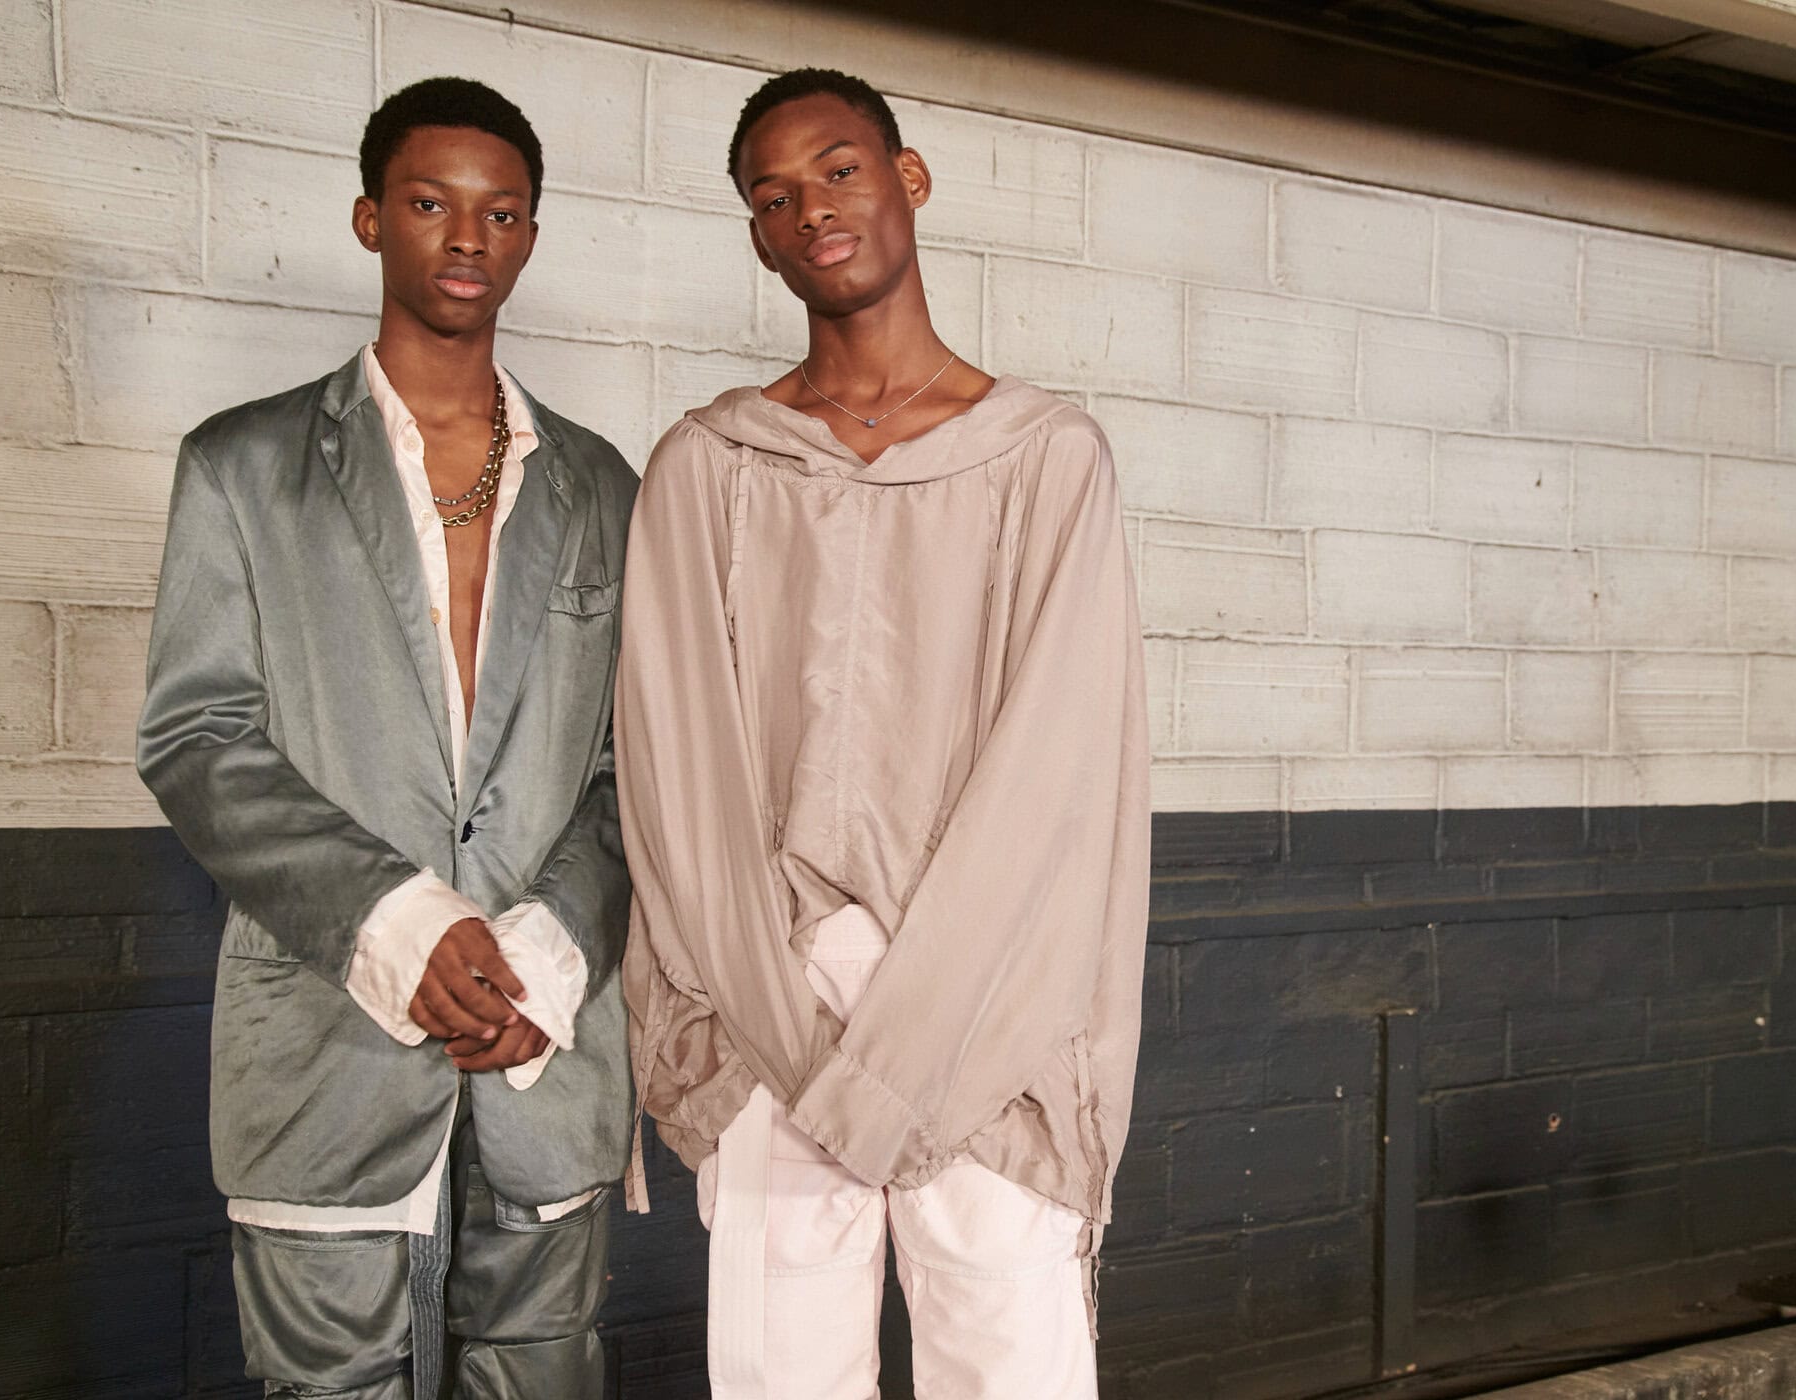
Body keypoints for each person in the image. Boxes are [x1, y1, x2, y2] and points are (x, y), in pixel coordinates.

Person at [615, 67, 1150, 1399]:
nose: (811, 209)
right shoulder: (709, 468)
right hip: (771, 1017)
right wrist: (790, 1040)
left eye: (840, 170)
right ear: (757, 237)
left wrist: (915, 1059)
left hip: (990, 1027)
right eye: (773, 196)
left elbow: (1059, 785)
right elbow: (679, 783)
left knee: (1012, 1376)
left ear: (909, 179)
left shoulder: (1045, 458)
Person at [136, 76, 636, 1398]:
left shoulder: (605, 485)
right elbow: (197, 736)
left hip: (544, 1044)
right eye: (429, 203)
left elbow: (630, 772)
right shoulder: (241, 464)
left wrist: (547, 955)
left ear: (530, 236)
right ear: (371, 219)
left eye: (501, 212)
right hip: (328, 1044)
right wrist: (400, 923)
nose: (468, 237)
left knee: (543, 1378)